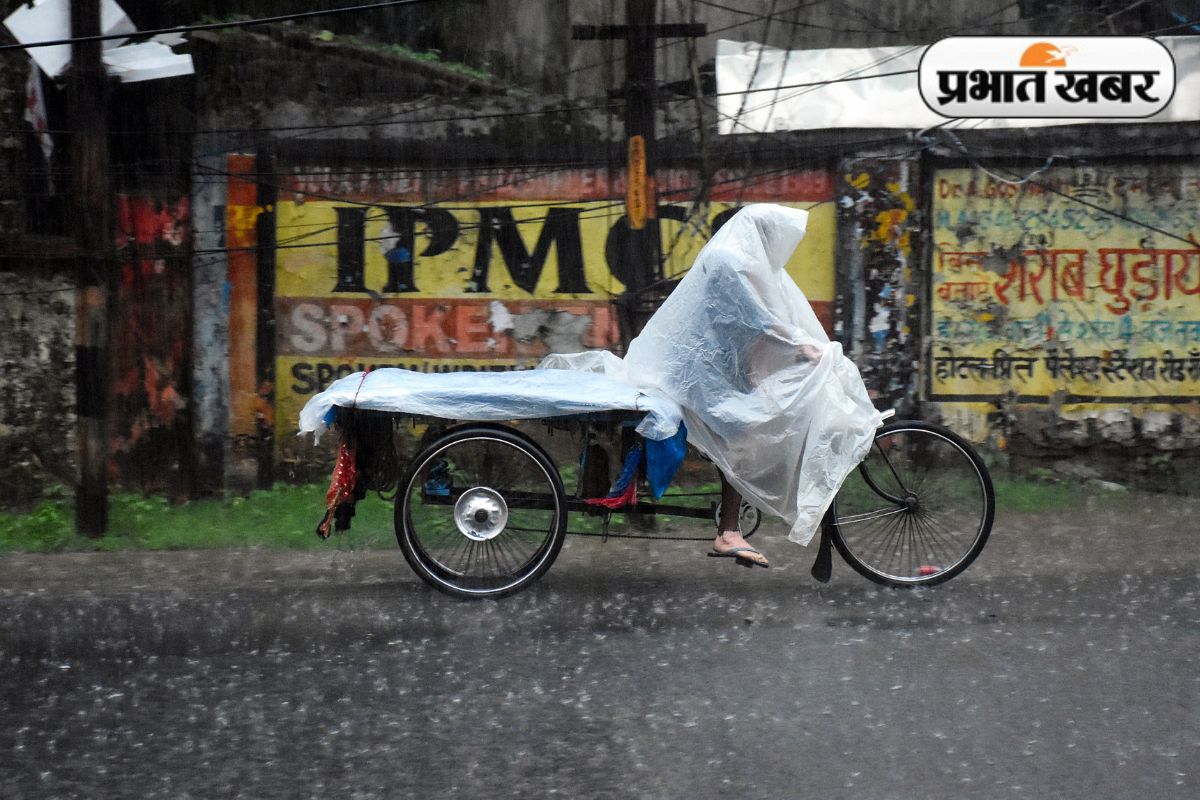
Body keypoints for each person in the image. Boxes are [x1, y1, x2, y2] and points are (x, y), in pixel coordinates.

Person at [620, 204, 883, 569]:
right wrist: (801, 346)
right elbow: (757, 317)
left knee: (752, 427)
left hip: (716, 370)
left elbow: (772, 314)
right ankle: (728, 532)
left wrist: (795, 345)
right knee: (742, 437)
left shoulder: (742, 258)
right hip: (702, 378)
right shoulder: (730, 260)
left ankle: (735, 519)